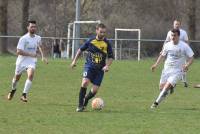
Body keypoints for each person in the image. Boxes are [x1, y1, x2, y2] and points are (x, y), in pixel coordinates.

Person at [70, 23, 114, 112]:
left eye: (104, 32)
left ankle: (86, 99)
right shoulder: (90, 41)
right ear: (97, 30)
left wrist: (107, 66)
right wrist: (74, 61)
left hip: (100, 70)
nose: (102, 34)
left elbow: (111, 57)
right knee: (85, 82)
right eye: (101, 32)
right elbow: (80, 50)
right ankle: (80, 106)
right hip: (89, 66)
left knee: (94, 91)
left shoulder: (107, 43)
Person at [150, 29, 194, 109]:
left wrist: (187, 65)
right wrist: (156, 64)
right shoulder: (167, 45)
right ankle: (171, 87)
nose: (173, 37)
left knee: (166, 88)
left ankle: (155, 104)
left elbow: (191, 58)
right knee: (161, 88)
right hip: (166, 70)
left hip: (177, 71)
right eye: (172, 35)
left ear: (178, 36)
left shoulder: (184, 46)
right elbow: (162, 55)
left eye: (175, 35)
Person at [7, 20, 48, 102]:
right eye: (32, 26)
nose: (33, 28)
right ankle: (13, 90)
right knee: (16, 79)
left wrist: (43, 56)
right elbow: (18, 51)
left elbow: (40, 46)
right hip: (21, 61)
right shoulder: (23, 38)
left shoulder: (38, 38)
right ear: (28, 28)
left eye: (35, 27)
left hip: (31, 61)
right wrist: (30, 54)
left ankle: (24, 95)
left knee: (31, 75)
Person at [165, 19, 189, 87]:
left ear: (180, 25)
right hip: (172, 54)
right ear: (173, 24)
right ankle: (172, 82)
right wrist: (163, 49)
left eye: (178, 24)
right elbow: (166, 41)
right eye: (175, 24)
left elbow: (186, 42)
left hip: (182, 54)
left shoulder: (183, 32)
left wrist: (187, 51)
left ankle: (184, 81)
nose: (177, 25)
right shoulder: (170, 32)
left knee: (184, 67)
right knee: (172, 68)